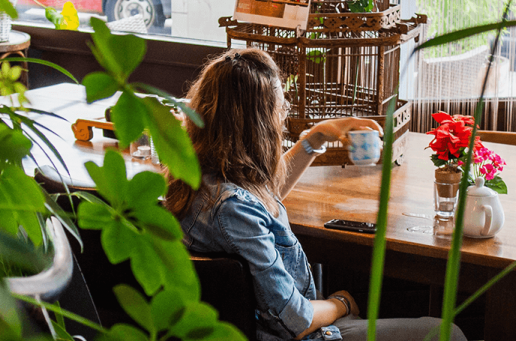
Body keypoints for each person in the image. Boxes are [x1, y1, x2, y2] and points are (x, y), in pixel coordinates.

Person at [167, 49, 467, 341]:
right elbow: (297, 319)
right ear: (259, 125)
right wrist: (341, 304)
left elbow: (260, 199)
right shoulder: (234, 211)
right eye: (278, 108)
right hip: (300, 333)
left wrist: (316, 138)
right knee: (447, 333)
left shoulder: (196, 180)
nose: (281, 115)